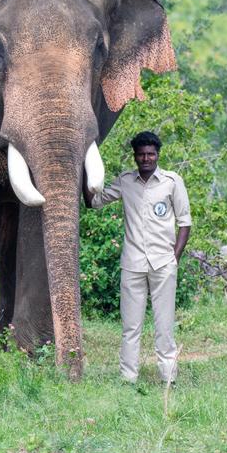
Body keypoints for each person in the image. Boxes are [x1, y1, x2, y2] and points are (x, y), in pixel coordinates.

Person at [87, 131, 191, 384]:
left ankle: (169, 379)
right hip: (132, 264)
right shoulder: (125, 181)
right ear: (135, 156)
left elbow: (185, 222)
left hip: (163, 264)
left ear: (157, 155)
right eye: (141, 154)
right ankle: (128, 379)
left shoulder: (172, 181)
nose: (146, 158)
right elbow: (95, 202)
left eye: (150, 154)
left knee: (164, 325)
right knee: (131, 327)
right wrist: (83, 172)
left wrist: (174, 257)